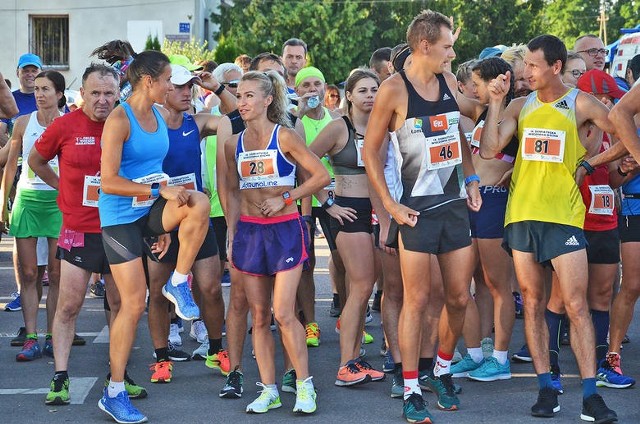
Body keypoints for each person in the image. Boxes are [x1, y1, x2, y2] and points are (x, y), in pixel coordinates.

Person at [479, 34, 618, 422]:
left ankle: (591, 396)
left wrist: (591, 163)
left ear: (556, 67)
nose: (526, 72)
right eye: (525, 65)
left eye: (534, 66)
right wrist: (494, 103)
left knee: (576, 305)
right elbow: (489, 149)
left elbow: (622, 131)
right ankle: (546, 388)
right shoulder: (520, 105)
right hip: (522, 214)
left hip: (564, 217)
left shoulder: (580, 102)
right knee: (534, 302)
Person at [364, 10, 482, 423]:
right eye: (448, 46)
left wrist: (469, 178)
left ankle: (442, 370)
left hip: (453, 208)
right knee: (416, 300)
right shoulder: (393, 90)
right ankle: (411, 386)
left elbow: (458, 134)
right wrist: (389, 206)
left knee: (456, 297)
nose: (453, 53)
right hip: (415, 212)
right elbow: (370, 152)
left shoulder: (448, 81)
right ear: (424, 45)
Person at [98, 50, 210, 424]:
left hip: (147, 212)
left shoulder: (159, 115)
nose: (171, 86)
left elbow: (153, 170)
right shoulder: (119, 119)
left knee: (198, 203)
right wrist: (157, 192)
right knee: (132, 305)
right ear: (148, 81)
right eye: (166, 80)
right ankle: (114, 392)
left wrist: (162, 225)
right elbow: (109, 181)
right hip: (119, 219)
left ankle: (178, 282)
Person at [28, 63, 140, 404]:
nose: (103, 100)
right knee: (69, 305)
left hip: (119, 226)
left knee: (121, 305)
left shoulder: (127, 124)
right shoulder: (66, 126)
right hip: (78, 228)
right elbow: (35, 160)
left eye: (109, 93)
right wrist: (63, 188)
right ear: (82, 94)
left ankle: (117, 374)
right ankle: (60, 377)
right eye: (95, 93)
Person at [222, 70, 329, 414]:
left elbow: (321, 176)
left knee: (283, 312)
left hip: (284, 229)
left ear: (268, 100)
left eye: (250, 96)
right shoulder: (231, 143)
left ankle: (304, 385)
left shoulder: (285, 137)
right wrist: (230, 228)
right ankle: (268, 388)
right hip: (250, 232)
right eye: (239, 96)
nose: (242, 103)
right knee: (258, 314)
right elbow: (230, 189)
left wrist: (288, 197)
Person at [146, 63, 233, 384]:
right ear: (163, 88)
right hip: (162, 219)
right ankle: (161, 358)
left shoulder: (196, 123)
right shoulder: (148, 126)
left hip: (197, 220)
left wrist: (217, 87)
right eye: (180, 86)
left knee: (210, 288)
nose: (187, 92)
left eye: (190, 87)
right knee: (157, 292)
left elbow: (235, 115)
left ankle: (216, 349)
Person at [309, 68, 386, 387]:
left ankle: (356, 357)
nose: (370, 95)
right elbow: (304, 163)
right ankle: (345, 364)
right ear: (349, 95)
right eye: (363, 90)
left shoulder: (386, 125)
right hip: (349, 211)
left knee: (374, 288)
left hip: (381, 212)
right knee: (362, 285)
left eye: (374, 90)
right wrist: (327, 203)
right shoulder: (338, 128)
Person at [450, 57, 518, 383]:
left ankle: (501, 359)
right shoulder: (480, 113)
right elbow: (448, 91)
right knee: (466, 283)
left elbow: (534, 155)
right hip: (470, 201)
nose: (472, 89)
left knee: (498, 285)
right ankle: (476, 353)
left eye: (477, 82)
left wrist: (514, 171)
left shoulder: (515, 114)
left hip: (495, 203)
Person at [0, 70, 65, 362]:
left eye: (46, 89)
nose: (39, 94)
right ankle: (30, 337)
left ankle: (53, 334)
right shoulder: (23, 123)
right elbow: (11, 166)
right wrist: (3, 204)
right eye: (37, 89)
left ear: (59, 94)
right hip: (27, 200)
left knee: (57, 273)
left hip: (58, 202)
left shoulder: (69, 123)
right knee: (28, 273)